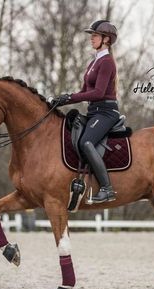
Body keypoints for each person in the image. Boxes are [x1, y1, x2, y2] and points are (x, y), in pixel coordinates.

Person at [51, 20, 119, 203]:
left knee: (86, 142)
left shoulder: (107, 62)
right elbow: (83, 92)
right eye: (92, 35)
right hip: (94, 111)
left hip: (106, 112)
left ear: (106, 40)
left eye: (95, 35)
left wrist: (71, 98)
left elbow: (98, 93)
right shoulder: (93, 63)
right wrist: (63, 99)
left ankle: (107, 189)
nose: (91, 38)